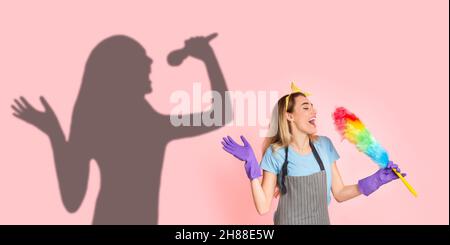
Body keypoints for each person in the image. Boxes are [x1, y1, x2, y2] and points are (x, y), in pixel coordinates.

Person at [12, 34, 231, 224]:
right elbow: (220, 115)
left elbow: (72, 200)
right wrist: (207, 57)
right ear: (121, 72)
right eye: (140, 57)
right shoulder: (151, 127)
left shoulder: (99, 125)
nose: (150, 60)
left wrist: (53, 131)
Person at [221, 84, 406, 225]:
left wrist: (374, 181)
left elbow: (340, 193)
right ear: (289, 116)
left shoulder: (324, 146)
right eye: (305, 107)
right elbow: (263, 208)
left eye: (312, 106)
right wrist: (253, 169)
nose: (314, 111)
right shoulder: (276, 153)